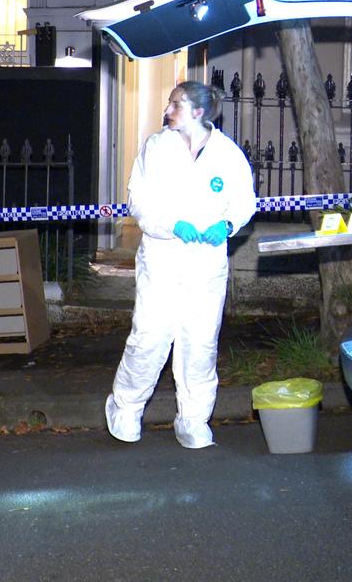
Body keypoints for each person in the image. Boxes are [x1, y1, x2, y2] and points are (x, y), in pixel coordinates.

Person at [105, 81, 257, 449]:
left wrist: (227, 225)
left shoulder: (227, 154)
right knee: (150, 336)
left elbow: (244, 201)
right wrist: (171, 225)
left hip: (206, 265)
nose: (167, 110)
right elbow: (138, 198)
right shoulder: (157, 148)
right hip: (162, 258)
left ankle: (193, 418)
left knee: (200, 341)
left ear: (198, 112)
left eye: (176, 105)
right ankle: (125, 407)